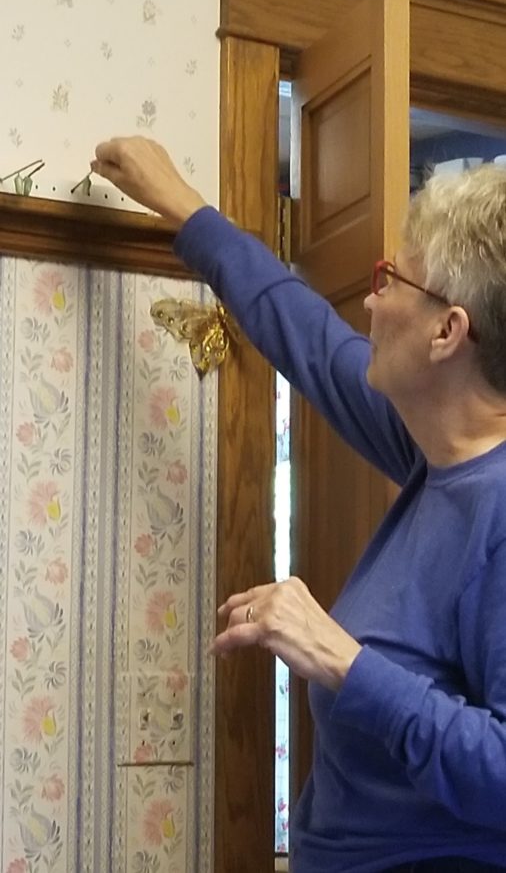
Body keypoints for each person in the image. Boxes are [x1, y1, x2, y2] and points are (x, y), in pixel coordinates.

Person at [91, 137, 506, 873]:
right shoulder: (432, 451)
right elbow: (309, 338)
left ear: (448, 332)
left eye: (390, 281)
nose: (369, 299)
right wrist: (185, 207)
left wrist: (342, 660)